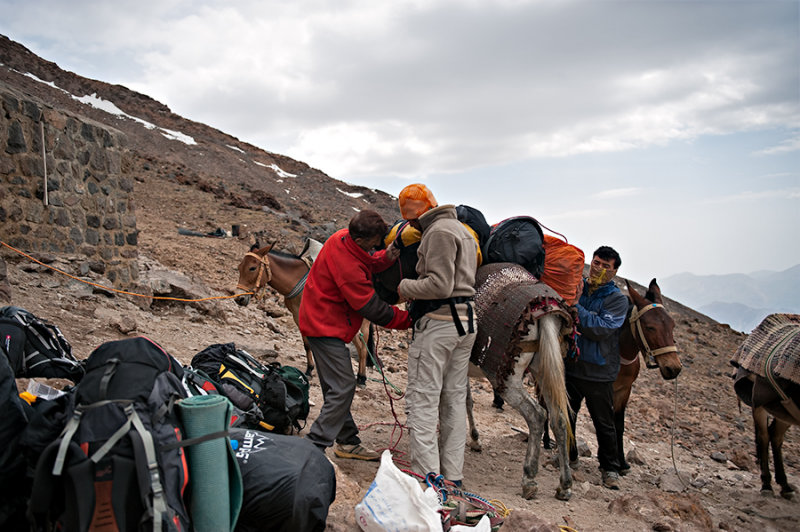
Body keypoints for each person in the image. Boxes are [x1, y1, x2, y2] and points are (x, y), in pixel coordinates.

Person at [299, 210, 411, 460]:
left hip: (323, 320)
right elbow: (371, 308)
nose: (377, 246)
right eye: (374, 243)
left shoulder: (342, 238)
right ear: (360, 240)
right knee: (343, 387)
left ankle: (347, 442)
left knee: (334, 387)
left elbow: (367, 260)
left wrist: (386, 257)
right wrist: (410, 320)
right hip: (324, 327)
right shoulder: (348, 268)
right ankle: (313, 447)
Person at [396, 184, 478, 486]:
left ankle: (427, 480)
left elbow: (440, 285)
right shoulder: (461, 229)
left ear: (416, 215)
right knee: (454, 400)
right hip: (465, 323)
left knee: (423, 401)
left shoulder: (438, 233)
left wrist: (405, 287)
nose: (410, 225)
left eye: (410, 219)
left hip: (440, 324)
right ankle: (453, 478)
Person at [565, 246, 628, 490]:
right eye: (597, 263)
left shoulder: (617, 300)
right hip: (572, 364)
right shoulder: (578, 286)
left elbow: (600, 328)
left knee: (603, 422)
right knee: (567, 416)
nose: (599, 269)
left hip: (600, 371)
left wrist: (576, 306)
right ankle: (569, 457)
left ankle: (609, 468)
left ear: (614, 272)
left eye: (606, 266)